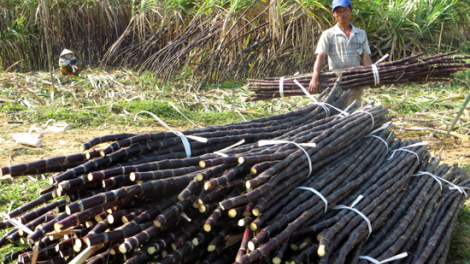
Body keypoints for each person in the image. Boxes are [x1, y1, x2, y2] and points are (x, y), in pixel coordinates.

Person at [308, 0, 373, 107]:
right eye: (338, 11)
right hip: (335, 80)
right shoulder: (328, 34)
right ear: (333, 14)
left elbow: (365, 57)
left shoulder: (361, 33)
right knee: (336, 111)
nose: (342, 14)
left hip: (355, 79)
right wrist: (315, 78)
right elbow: (321, 56)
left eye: (345, 10)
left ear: (351, 11)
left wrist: (371, 76)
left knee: (353, 111)